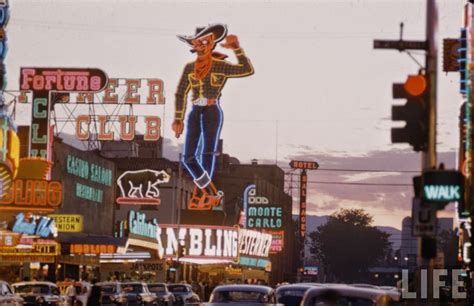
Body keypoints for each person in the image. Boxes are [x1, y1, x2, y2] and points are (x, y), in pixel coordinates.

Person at [173, 23, 254, 210]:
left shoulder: (220, 66)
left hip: (212, 110)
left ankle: (205, 197)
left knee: (208, 152)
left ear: (211, 43)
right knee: (189, 157)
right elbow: (180, 93)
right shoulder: (189, 68)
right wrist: (178, 118)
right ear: (193, 44)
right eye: (197, 41)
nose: (201, 44)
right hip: (195, 111)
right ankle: (209, 191)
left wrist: (236, 48)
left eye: (205, 40)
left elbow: (246, 69)